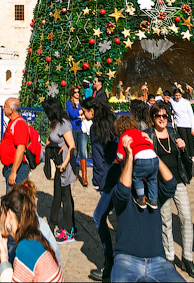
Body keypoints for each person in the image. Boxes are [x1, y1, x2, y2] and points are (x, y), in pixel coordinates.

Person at [108, 130, 184, 282]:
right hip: (127, 259)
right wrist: (129, 156)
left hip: (158, 260)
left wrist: (151, 153)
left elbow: (171, 184)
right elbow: (123, 191)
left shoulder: (152, 192)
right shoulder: (120, 191)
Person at [146, 101, 194, 278]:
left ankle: (187, 258)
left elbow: (183, 159)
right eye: (158, 115)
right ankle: (169, 257)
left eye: (164, 115)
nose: (161, 119)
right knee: (166, 221)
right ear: (152, 118)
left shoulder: (172, 132)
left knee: (186, 218)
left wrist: (183, 149)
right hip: (160, 184)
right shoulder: (148, 135)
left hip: (178, 182)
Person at [0, 182, 64, 283]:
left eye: (2, 213)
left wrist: (4, 255)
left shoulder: (25, 247)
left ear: (9, 215)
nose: (0, 219)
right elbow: (15, 261)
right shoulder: (32, 235)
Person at [81, 98, 118, 282]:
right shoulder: (112, 122)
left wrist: (100, 182)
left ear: (92, 112)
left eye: (85, 111)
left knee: (98, 217)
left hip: (109, 180)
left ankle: (110, 264)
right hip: (120, 176)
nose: (83, 114)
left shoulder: (96, 129)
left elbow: (98, 159)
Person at [42, 96, 77, 243]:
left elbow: (72, 146)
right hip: (58, 163)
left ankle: (69, 231)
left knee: (65, 196)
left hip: (65, 164)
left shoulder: (64, 124)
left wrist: (64, 164)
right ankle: (58, 222)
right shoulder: (55, 123)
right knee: (59, 193)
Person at [115, 114, 157, 210]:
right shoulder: (141, 133)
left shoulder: (125, 136)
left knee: (137, 177)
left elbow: (120, 155)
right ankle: (153, 200)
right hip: (153, 157)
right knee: (152, 179)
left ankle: (141, 198)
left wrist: (116, 161)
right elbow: (150, 143)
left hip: (141, 158)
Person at [0, 97, 33, 190]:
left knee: (15, 200)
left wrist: (13, 172)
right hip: (11, 167)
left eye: (5, 107)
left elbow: (21, 149)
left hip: (19, 169)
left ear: (11, 110)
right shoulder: (12, 122)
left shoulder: (19, 124)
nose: (3, 108)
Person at [65, 86, 88, 187]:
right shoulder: (69, 103)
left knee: (83, 151)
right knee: (74, 151)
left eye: (78, 92)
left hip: (82, 129)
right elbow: (72, 115)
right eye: (75, 92)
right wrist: (79, 112)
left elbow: (87, 112)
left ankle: (84, 176)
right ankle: (73, 173)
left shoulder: (82, 102)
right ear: (72, 94)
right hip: (73, 129)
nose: (77, 94)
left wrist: (84, 114)